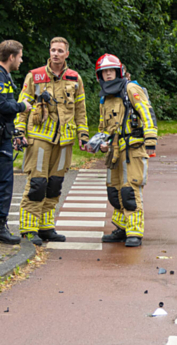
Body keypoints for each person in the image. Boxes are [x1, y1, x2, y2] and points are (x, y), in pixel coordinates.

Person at [15, 37, 88, 245]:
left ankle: (46, 227)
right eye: (53, 50)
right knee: (37, 183)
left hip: (65, 140)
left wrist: (83, 134)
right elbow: (23, 104)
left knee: (55, 184)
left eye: (60, 50)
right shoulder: (35, 76)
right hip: (39, 137)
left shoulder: (75, 79)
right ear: (49, 52)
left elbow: (80, 111)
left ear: (67, 54)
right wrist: (20, 130)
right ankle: (28, 228)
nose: (55, 53)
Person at [94, 54, 157, 247]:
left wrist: (151, 140)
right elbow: (103, 126)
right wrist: (100, 142)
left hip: (133, 149)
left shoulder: (130, 88)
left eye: (111, 70)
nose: (108, 74)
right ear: (100, 75)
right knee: (114, 192)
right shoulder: (105, 97)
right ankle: (122, 228)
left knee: (130, 190)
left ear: (119, 71)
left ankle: (134, 232)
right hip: (114, 151)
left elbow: (146, 112)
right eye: (104, 72)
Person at [0, 40, 29, 245]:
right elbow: (2, 104)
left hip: (5, 134)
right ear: (11, 57)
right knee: (4, 183)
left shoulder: (5, 76)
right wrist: (22, 106)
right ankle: (1, 226)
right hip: (1, 139)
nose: (21, 60)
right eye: (19, 56)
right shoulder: (1, 77)